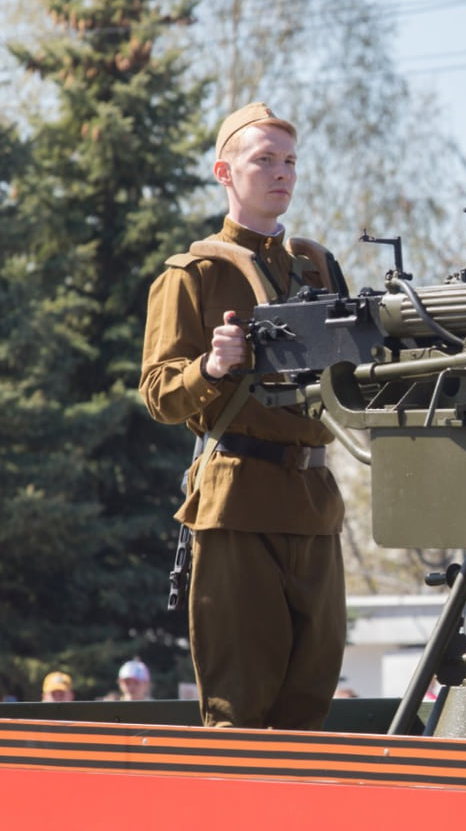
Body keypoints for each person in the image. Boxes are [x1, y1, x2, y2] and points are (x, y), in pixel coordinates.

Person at [140, 102, 346, 729]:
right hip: (237, 503)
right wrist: (211, 367)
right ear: (224, 171)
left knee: (310, 702)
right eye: (265, 160)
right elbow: (158, 393)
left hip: (313, 500)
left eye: (289, 162)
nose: (282, 173)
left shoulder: (316, 267)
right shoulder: (193, 274)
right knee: (238, 707)